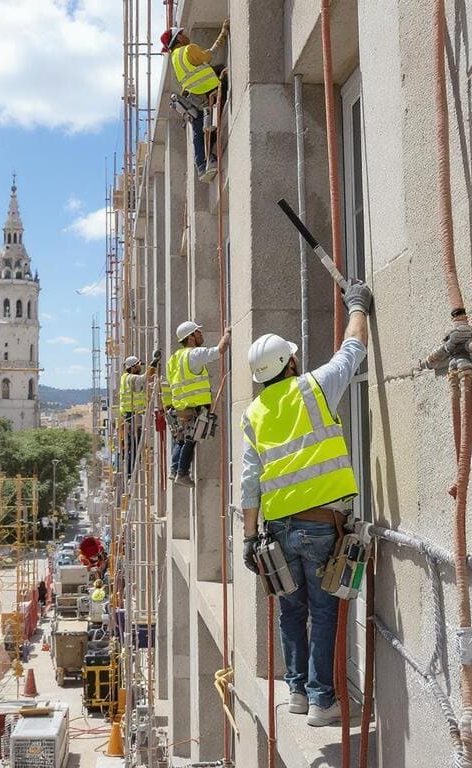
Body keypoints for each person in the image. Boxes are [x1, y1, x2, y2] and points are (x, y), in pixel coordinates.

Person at [240, 280, 373, 727]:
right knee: (324, 611)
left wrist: (248, 538)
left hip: (277, 530)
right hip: (321, 525)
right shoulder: (314, 387)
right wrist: (357, 305)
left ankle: (297, 692)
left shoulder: (254, 414)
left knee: (291, 611)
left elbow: (249, 481)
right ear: (291, 362)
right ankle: (321, 700)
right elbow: (353, 348)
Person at [161, 21, 229, 182]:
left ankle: (202, 164)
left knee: (199, 127)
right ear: (178, 39)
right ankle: (209, 154)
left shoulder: (174, 58)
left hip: (193, 96)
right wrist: (222, 34)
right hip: (209, 89)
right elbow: (208, 56)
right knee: (222, 73)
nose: (186, 36)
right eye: (182, 34)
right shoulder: (188, 49)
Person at [167, 321, 230, 487]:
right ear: (191, 337)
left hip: (180, 407)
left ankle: (174, 470)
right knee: (190, 439)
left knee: (181, 439)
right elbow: (220, 350)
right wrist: (228, 333)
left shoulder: (174, 358)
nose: (201, 335)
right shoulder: (194, 354)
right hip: (195, 407)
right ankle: (182, 473)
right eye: (198, 332)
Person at [120, 351, 160, 477]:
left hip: (130, 415)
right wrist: (154, 363)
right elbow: (145, 378)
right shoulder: (131, 378)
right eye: (138, 365)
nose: (140, 367)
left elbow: (145, 381)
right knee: (134, 445)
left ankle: (130, 470)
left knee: (133, 444)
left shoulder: (126, 378)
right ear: (132, 367)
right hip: (133, 416)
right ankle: (130, 471)